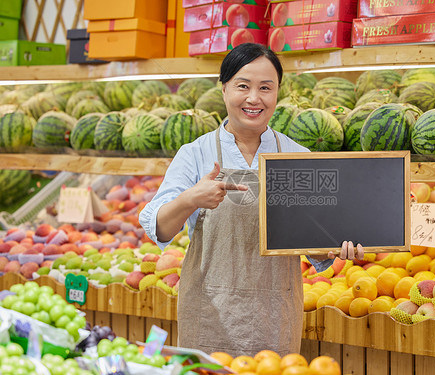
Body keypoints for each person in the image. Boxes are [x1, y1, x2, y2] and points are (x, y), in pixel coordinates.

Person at [139, 43, 364, 357]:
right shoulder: (195, 154)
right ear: (224, 89)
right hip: (208, 313)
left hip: (275, 315)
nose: (254, 98)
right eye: (242, 86)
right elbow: (160, 228)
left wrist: (337, 246)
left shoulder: (298, 157)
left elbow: (314, 246)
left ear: (277, 93)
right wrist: (191, 198)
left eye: (266, 88)